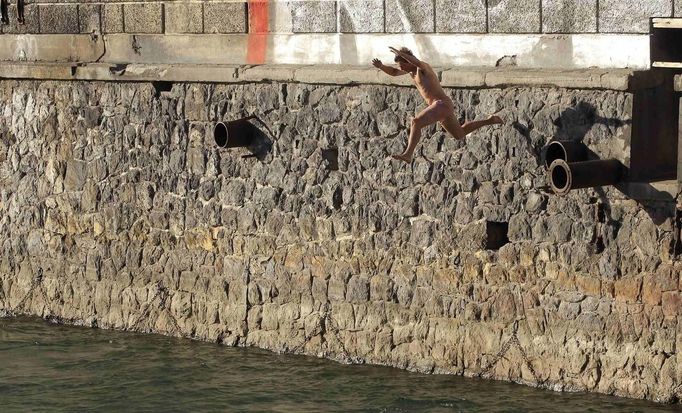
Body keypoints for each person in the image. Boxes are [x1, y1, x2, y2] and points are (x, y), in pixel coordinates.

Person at [372, 47, 503, 163]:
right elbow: (394, 73)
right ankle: (490, 120)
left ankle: (408, 154)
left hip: (441, 104)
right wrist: (381, 66)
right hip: (440, 108)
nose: (401, 68)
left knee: (416, 122)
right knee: (460, 134)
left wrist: (401, 53)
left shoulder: (422, 68)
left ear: (409, 61)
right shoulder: (409, 71)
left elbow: (416, 62)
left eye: (402, 65)